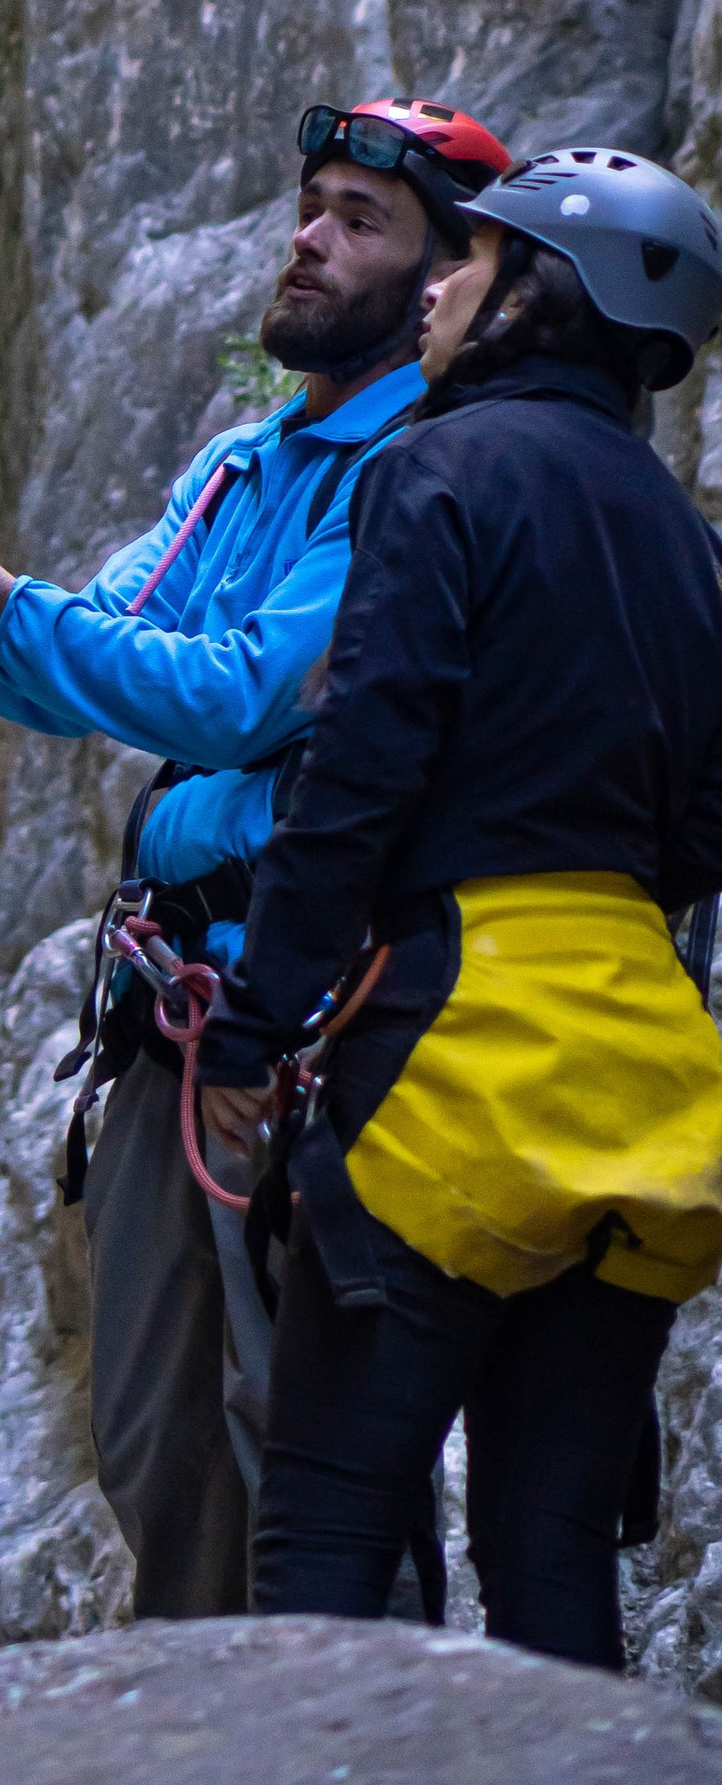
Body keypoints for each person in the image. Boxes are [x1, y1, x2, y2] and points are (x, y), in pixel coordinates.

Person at [0, 96, 510, 1617]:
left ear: (443, 277)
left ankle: (369, 1719)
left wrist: (3, 602)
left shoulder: (416, 469)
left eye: (360, 221)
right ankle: (220, 1722)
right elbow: (87, 665)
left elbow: (239, 695)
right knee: (155, 1437)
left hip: (312, 999)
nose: (310, 240)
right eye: (311, 207)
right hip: (177, 1000)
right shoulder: (242, 466)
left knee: (297, 1427)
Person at [197, 146, 722, 1666]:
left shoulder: (434, 471)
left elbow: (356, 778)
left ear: (540, 298)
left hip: (454, 1064)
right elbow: (703, 828)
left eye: (469, 260)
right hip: (645, 1080)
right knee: (550, 1555)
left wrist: (249, 1031)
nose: (435, 286)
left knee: (323, 1537)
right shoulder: (692, 546)